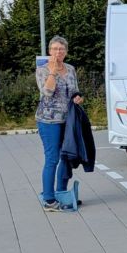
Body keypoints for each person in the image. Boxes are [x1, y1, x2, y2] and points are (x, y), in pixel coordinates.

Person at [36, 36, 83, 211]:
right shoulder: (42, 70)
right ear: (50, 51)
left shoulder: (70, 69)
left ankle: (61, 193)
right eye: (55, 49)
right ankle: (49, 199)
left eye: (61, 49)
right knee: (52, 158)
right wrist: (53, 72)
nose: (58, 52)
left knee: (66, 156)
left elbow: (75, 90)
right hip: (49, 120)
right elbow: (47, 92)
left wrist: (78, 97)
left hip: (68, 119)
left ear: (66, 52)